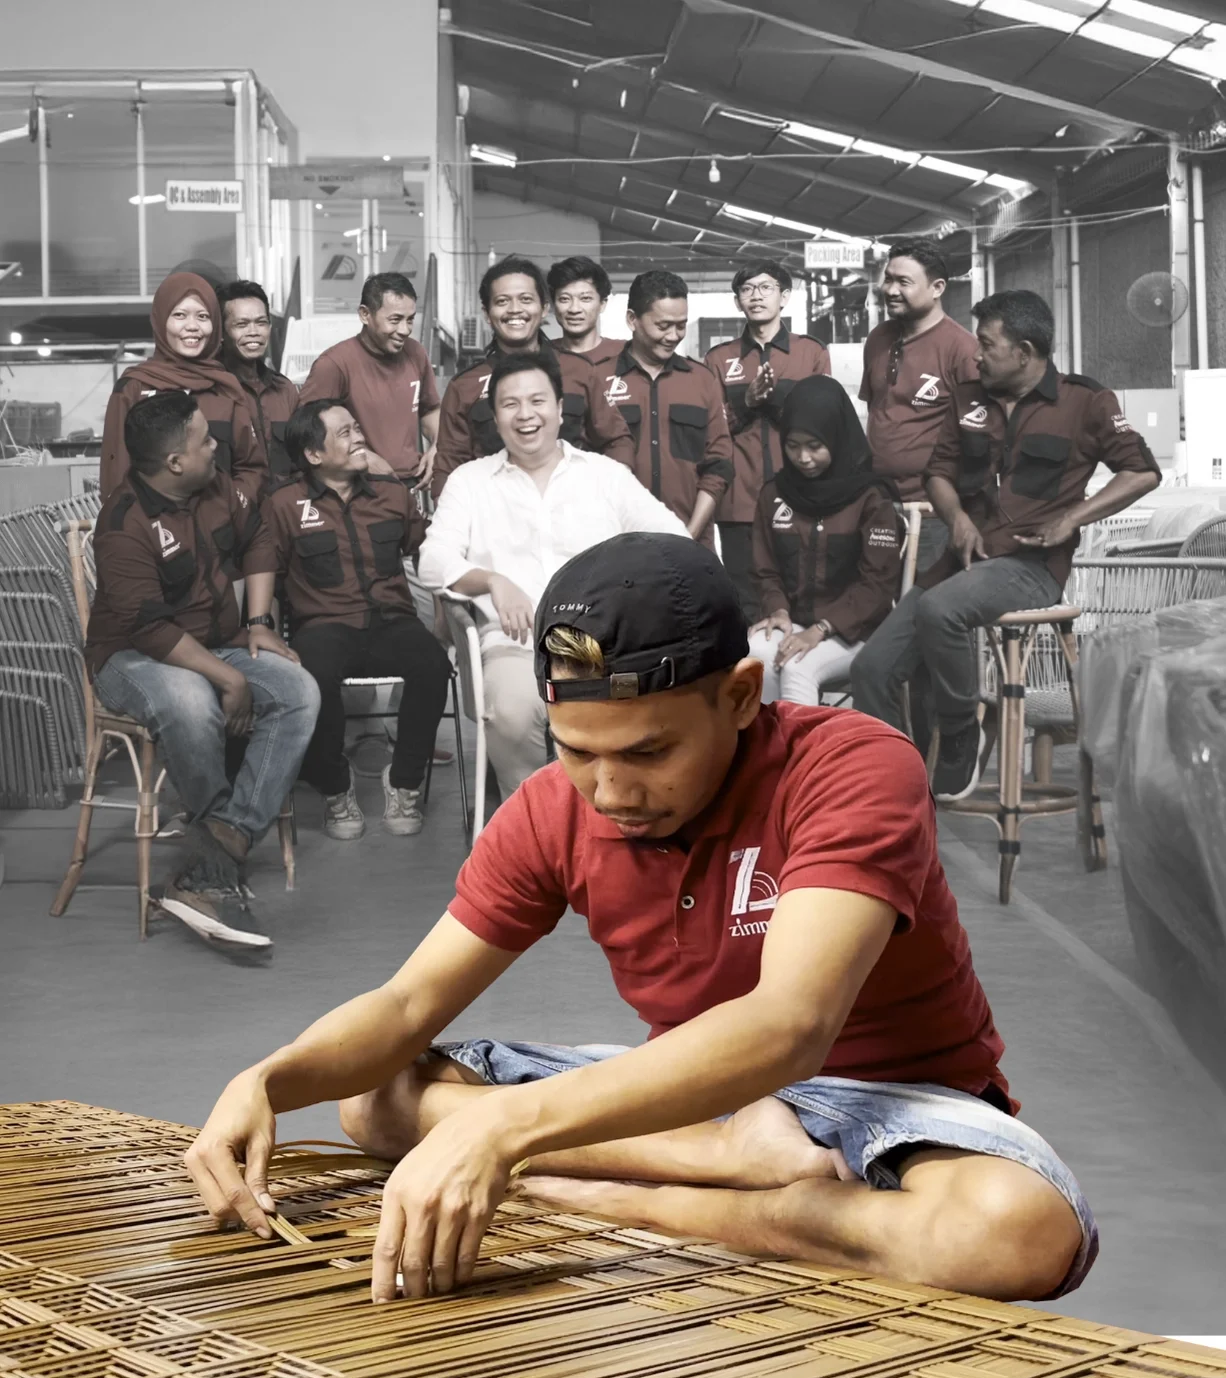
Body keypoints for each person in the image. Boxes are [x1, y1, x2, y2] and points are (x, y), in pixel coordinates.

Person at [186, 531, 1096, 1308]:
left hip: (893, 1107)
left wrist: (508, 1132)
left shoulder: (850, 766)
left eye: (650, 751)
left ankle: (618, 1193)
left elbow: (790, 1027)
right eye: (576, 750)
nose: (612, 791)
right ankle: (723, 1158)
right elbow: (406, 1005)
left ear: (741, 694)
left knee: (1009, 1231)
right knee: (369, 1094)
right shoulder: (553, 809)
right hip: (703, 1101)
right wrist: (265, 1081)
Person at [851, 289, 1161, 801]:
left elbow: (1141, 471)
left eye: (987, 345)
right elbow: (938, 475)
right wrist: (956, 520)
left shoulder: (1086, 401)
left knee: (943, 610)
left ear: (1024, 351)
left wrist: (1071, 520)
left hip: (1030, 564)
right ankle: (893, 784)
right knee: (872, 668)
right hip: (961, 559)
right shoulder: (969, 398)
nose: (976, 354)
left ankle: (958, 732)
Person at [87, 392, 319, 952]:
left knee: (299, 691)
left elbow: (260, 536)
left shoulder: (217, 486)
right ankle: (213, 868)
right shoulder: (123, 525)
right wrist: (229, 678)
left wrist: (260, 620)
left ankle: (218, 849)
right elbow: (150, 630)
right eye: (204, 440)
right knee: (190, 699)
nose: (216, 446)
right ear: (173, 463)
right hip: (131, 657)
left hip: (215, 642)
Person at [418, 352, 687, 795]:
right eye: (510, 404)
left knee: (645, 710)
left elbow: (673, 542)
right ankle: (529, 825)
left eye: (537, 401)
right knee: (513, 709)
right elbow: (432, 560)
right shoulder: (470, 481)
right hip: (514, 648)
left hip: (606, 647)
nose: (526, 415)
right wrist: (491, 580)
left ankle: (608, 819)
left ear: (560, 409)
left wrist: (627, 591)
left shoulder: (605, 476)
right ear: (496, 416)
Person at [247, 401, 451, 841]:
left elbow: (431, 553)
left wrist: (443, 616)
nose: (358, 437)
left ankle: (404, 783)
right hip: (325, 625)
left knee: (434, 665)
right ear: (313, 455)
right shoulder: (284, 504)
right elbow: (263, 562)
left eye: (357, 428)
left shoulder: (391, 494)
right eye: (344, 432)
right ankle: (337, 791)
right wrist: (260, 623)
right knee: (312, 677)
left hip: (391, 620)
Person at [749, 377, 903, 704]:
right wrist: (777, 610)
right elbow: (767, 572)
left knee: (797, 667)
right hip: (794, 624)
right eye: (793, 446)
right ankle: (772, 753)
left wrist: (820, 629)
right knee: (756, 655)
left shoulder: (871, 498)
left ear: (837, 437)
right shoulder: (774, 495)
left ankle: (810, 756)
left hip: (857, 633)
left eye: (815, 446)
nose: (803, 457)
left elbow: (878, 586)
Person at [431, 256, 634, 499]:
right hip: (496, 524)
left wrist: (607, 497)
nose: (515, 309)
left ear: (544, 307)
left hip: (575, 519)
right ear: (487, 313)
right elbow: (449, 467)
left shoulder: (579, 372)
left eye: (526, 299)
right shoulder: (464, 387)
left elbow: (616, 440)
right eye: (502, 301)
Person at [705, 261, 831, 615]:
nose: (756, 296)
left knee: (802, 594)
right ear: (737, 301)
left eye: (766, 288)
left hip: (800, 496)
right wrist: (746, 403)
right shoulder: (717, 360)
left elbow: (827, 424)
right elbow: (712, 430)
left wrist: (776, 404)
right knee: (743, 602)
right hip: (737, 503)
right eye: (747, 289)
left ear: (785, 297)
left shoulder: (811, 354)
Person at [860, 239, 979, 574]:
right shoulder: (878, 339)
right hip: (880, 505)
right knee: (879, 608)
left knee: (932, 609)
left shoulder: (962, 350)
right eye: (888, 279)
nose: (891, 290)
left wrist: (960, 513)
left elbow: (978, 442)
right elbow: (878, 413)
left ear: (937, 287)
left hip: (932, 513)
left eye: (904, 282)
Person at [100, 272, 265, 504]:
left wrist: (234, 506)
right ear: (160, 320)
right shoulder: (134, 387)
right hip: (155, 532)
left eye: (202, 316)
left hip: (224, 532)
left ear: (214, 325)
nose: (192, 327)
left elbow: (251, 467)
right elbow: (116, 476)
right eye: (179, 315)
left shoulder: (226, 388)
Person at [604, 270, 733, 546]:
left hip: (692, 545)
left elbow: (718, 466)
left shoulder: (702, 380)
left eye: (681, 325)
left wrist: (688, 536)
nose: (673, 336)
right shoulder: (599, 380)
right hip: (616, 546)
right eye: (663, 326)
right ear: (632, 320)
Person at [300, 272, 440, 491]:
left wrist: (436, 446)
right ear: (365, 314)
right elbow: (305, 430)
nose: (404, 330)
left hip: (411, 485)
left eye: (410, 319)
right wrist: (362, 456)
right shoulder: (334, 365)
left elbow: (430, 410)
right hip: (360, 489)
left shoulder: (416, 353)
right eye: (395, 320)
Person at [216, 279, 300, 491]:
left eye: (261, 322)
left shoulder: (285, 390)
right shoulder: (212, 390)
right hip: (235, 513)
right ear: (222, 333)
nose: (254, 332)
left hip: (284, 512)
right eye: (241, 324)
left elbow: (300, 458)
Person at [547, 255, 623, 373]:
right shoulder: (540, 356)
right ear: (554, 305)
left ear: (602, 304)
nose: (574, 309)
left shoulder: (625, 354)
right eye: (565, 299)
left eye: (585, 298)